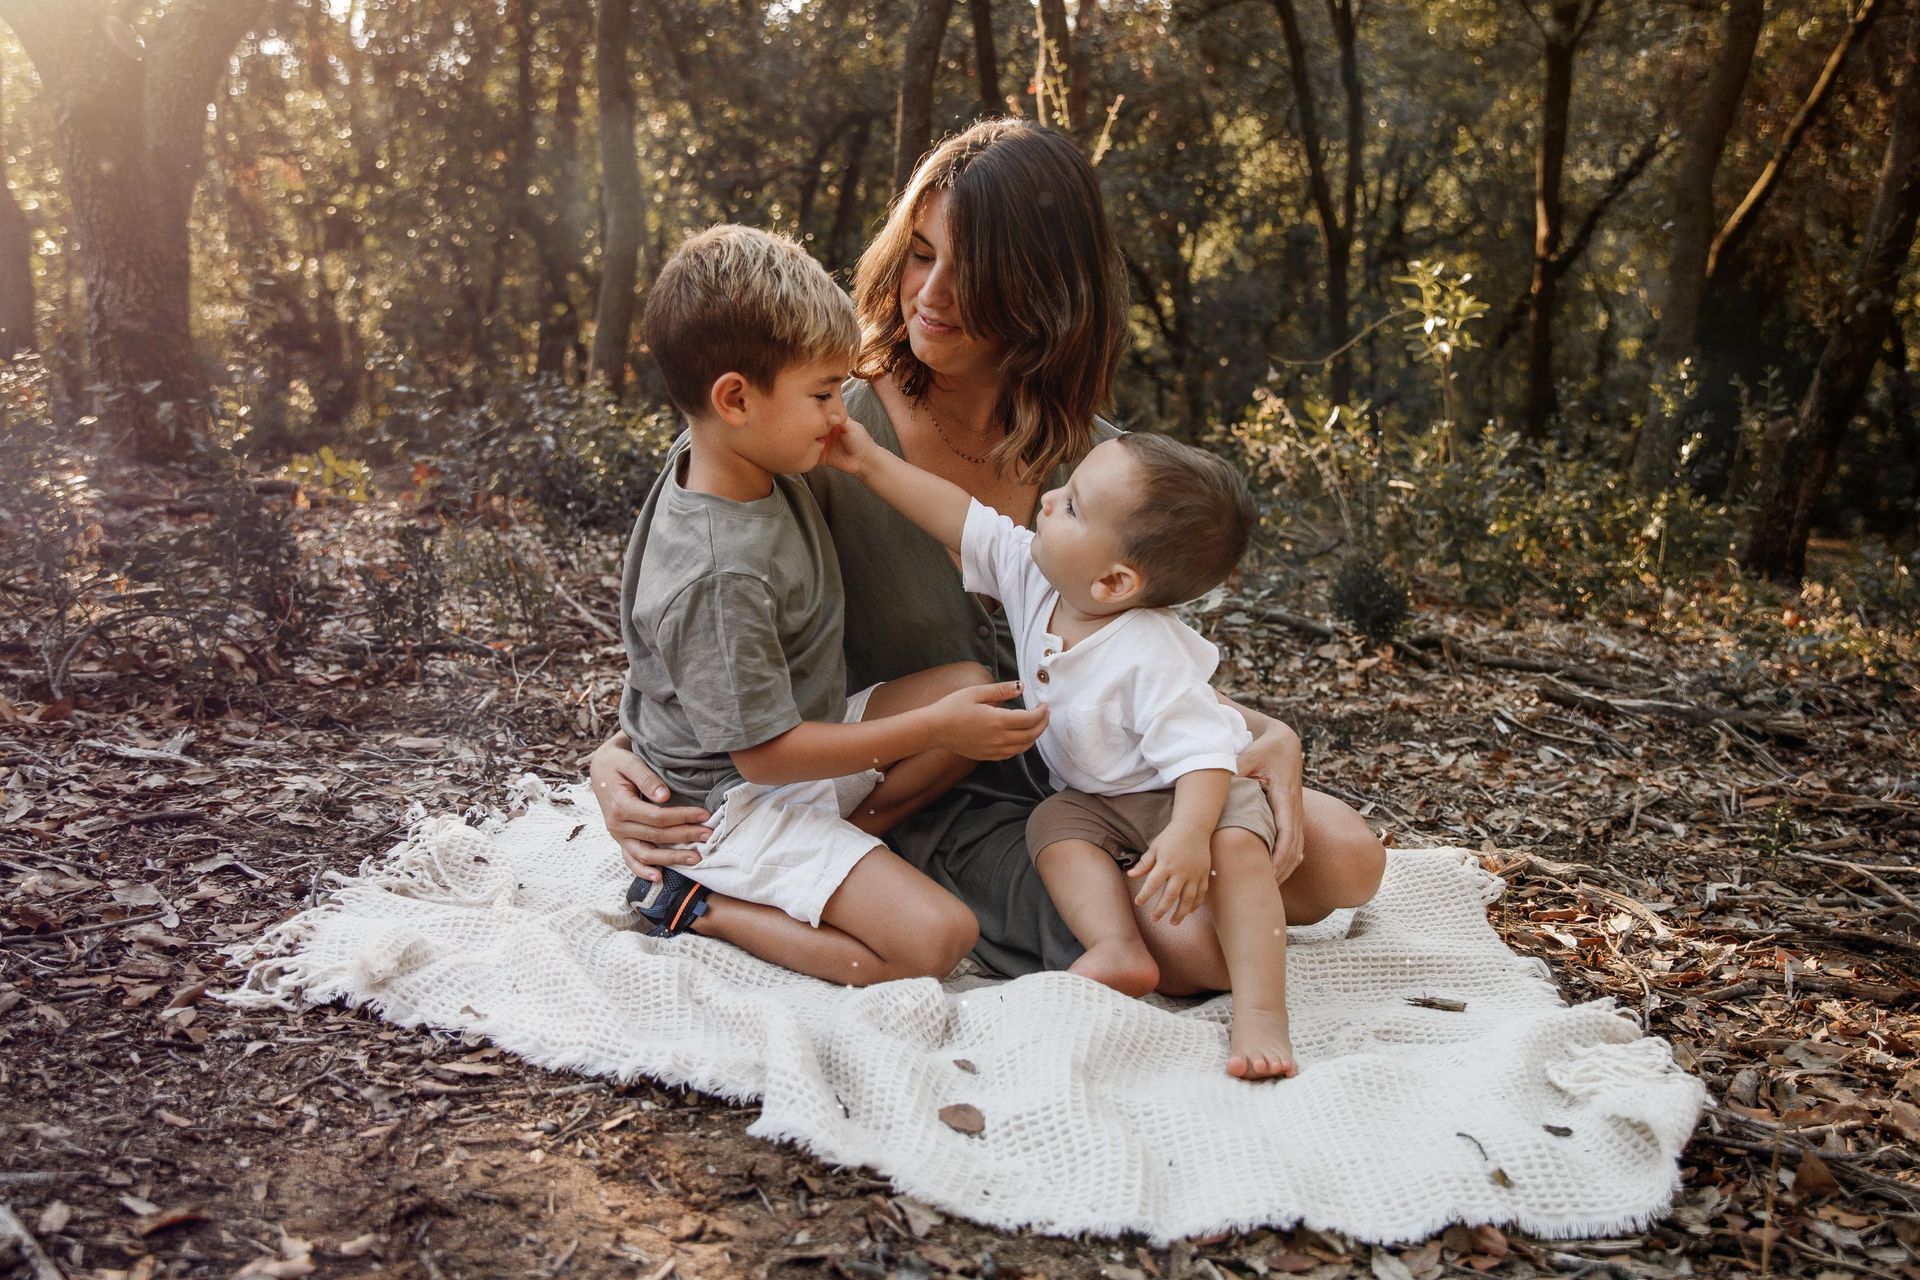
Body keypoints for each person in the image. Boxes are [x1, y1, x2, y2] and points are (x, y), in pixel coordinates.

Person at [592, 117, 1386, 995]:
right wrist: (614, 754)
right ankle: (879, 879)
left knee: (1347, 859)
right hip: (932, 798)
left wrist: (1269, 735)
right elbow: (700, 595)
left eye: (974, 274)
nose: (930, 294)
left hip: (1092, 771)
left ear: (1048, 294)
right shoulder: (822, 426)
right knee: (1201, 956)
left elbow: (1119, 649)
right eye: (921, 251)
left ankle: (1111, 894)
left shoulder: (1097, 468)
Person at [618, 223, 1049, 985]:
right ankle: (693, 903)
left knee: (964, 686)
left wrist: (941, 720)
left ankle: (847, 848)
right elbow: (764, 755)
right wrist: (932, 731)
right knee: (939, 939)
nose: (839, 414)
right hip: (731, 803)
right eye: (822, 394)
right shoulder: (720, 572)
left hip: (799, 743)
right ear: (736, 399)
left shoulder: (753, 465)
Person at [821, 421, 1299, 1077]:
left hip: (1184, 792)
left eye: (1071, 505)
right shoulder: (1037, 577)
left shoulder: (1147, 651)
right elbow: (963, 520)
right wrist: (870, 462)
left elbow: (1204, 755)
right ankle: (1118, 947)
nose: (1048, 499)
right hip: (1097, 799)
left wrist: (1190, 834)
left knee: (1239, 850)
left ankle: (1263, 1012)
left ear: (1113, 583)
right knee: (1053, 828)